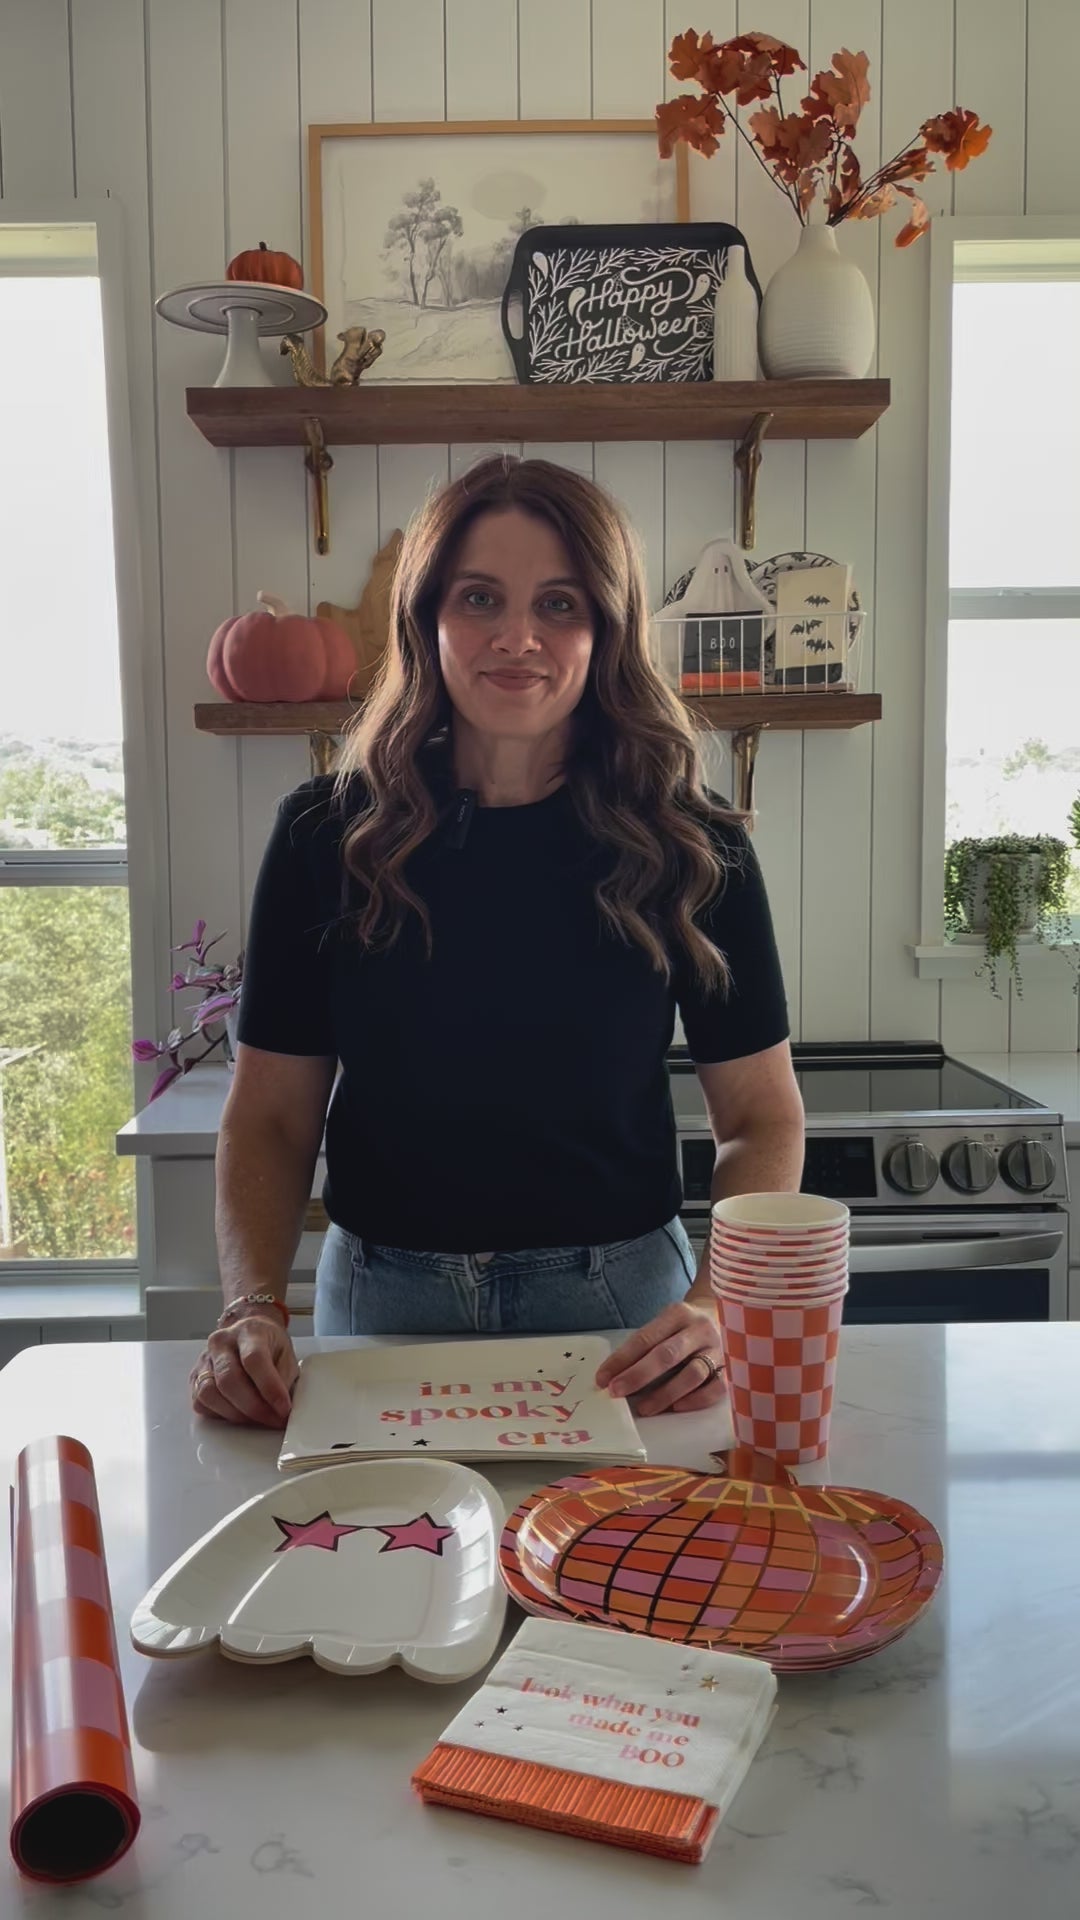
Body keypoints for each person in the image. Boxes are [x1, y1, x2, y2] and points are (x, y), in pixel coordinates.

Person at [190, 454, 804, 1430]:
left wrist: (718, 1306)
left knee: (622, 1583)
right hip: (381, 1302)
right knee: (382, 1579)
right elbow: (267, 1118)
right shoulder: (324, 836)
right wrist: (250, 1305)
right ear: (425, 619)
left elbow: (763, 1120)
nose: (519, 637)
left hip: (624, 1309)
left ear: (606, 631)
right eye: (481, 598)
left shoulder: (697, 841)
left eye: (561, 604)